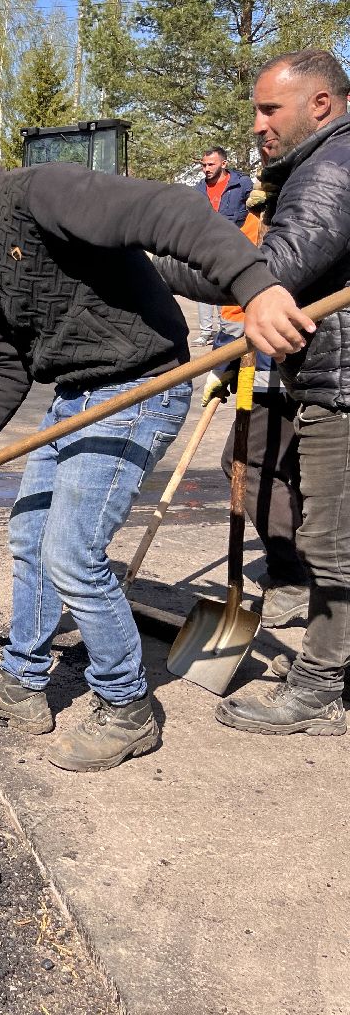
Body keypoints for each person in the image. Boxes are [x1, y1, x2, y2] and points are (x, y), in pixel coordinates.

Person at [0, 104, 289, 771]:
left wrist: (254, 289)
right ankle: (23, 687)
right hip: (74, 396)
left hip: (138, 387)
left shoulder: (45, 191)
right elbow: (9, 366)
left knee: (72, 552)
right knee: (30, 534)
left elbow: (169, 214)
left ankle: (127, 708)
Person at [156, 49, 350, 736]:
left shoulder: (330, 169)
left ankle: (319, 688)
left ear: (320, 104)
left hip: (341, 383)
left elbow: (270, 273)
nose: (259, 126)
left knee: (329, 542)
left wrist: (160, 267)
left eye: (271, 109)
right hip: (321, 370)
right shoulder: (314, 167)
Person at [203, 184, 309, 632]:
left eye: (264, 213)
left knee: (246, 464)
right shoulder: (296, 242)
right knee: (295, 474)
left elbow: (276, 322)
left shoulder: (294, 249)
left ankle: (292, 576)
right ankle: (303, 573)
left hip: (283, 385)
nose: (259, 222)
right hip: (283, 381)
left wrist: (230, 362)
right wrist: (228, 363)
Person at [193, 148, 255, 346]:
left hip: (235, 246)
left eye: (211, 164)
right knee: (202, 288)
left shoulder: (242, 184)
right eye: (204, 165)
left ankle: (227, 330)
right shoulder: (198, 189)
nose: (206, 169)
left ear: (224, 164)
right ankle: (206, 332)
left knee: (226, 290)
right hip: (207, 246)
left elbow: (256, 209)